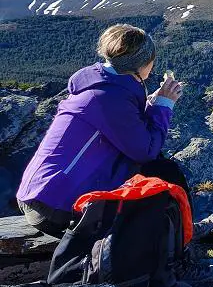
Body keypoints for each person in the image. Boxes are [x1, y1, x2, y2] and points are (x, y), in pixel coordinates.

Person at [16, 23, 185, 237]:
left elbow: (126, 130)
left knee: (157, 174)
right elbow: (146, 151)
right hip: (54, 207)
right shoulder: (108, 98)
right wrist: (163, 106)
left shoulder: (102, 87)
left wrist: (150, 104)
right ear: (142, 65)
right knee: (163, 172)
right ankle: (178, 244)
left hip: (43, 194)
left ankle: (175, 240)